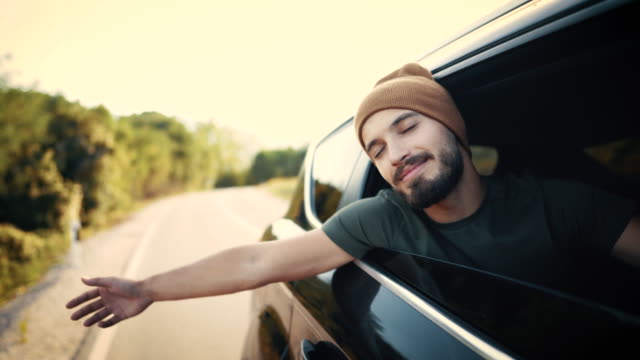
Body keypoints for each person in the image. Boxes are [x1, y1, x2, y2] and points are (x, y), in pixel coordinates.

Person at [66, 63, 640, 329]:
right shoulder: (382, 220)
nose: (395, 153)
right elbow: (258, 259)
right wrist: (145, 288)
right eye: (377, 149)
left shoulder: (564, 204)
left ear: (455, 131)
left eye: (409, 127)